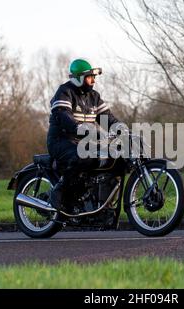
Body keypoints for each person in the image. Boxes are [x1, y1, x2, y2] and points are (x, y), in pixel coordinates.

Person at [47, 59, 119, 211]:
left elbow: (107, 118)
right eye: (89, 76)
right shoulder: (65, 91)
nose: (93, 80)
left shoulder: (94, 96)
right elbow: (63, 115)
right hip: (61, 141)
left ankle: (99, 202)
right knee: (84, 155)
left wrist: (123, 130)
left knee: (113, 158)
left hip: (85, 142)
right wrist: (81, 128)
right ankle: (59, 191)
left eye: (94, 77)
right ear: (78, 78)